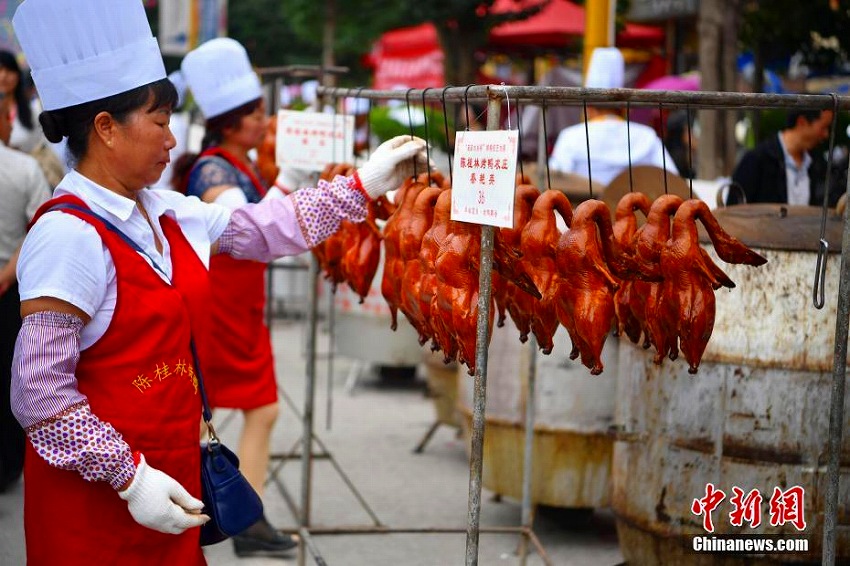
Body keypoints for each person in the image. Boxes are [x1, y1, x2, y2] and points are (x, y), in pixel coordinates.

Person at [9, 1, 427, 564]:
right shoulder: (66, 237)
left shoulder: (164, 211)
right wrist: (129, 477)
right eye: (159, 124)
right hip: (94, 507)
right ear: (105, 129)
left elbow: (263, 228)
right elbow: (39, 393)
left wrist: (364, 184)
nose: (171, 141)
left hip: (175, 487)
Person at [173, 37, 302, 558]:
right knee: (240, 409)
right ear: (230, 121)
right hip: (222, 304)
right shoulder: (215, 169)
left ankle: (241, 513)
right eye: (255, 115)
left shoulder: (237, 162)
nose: (264, 122)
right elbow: (247, 228)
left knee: (250, 408)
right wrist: (290, 180)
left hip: (242, 303)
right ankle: (235, 514)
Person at [0, 90, 52, 494]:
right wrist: (6, 275)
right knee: (9, 380)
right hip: (9, 292)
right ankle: (7, 466)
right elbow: (40, 226)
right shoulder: (23, 168)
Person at [548, 47, 679, 186]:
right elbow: (673, 179)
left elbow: (554, 180)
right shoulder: (647, 137)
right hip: (637, 207)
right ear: (623, 107)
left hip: (580, 206)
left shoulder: (570, 137)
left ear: (587, 107)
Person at [726, 108, 835, 206]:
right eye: (823, 127)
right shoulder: (757, 159)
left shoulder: (816, 164)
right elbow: (733, 211)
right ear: (802, 122)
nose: (826, 134)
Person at [0, 50, 66, 188]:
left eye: (9, 70)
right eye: (0, 70)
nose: (3, 76)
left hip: (42, 175)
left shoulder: (34, 108)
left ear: (17, 74)